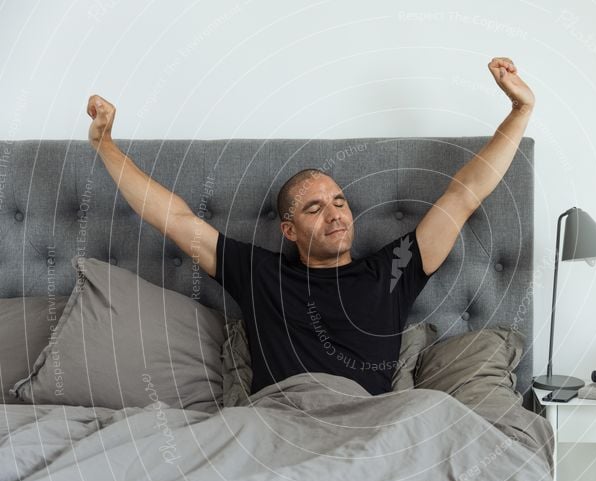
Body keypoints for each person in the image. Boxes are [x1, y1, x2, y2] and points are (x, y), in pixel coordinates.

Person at [86, 56, 535, 397]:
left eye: (340, 201)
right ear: (289, 231)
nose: (336, 213)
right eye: (314, 208)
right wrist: (105, 145)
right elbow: (173, 218)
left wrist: (520, 110)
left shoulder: (393, 270)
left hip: (369, 424)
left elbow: (463, 196)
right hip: (284, 417)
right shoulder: (257, 273)